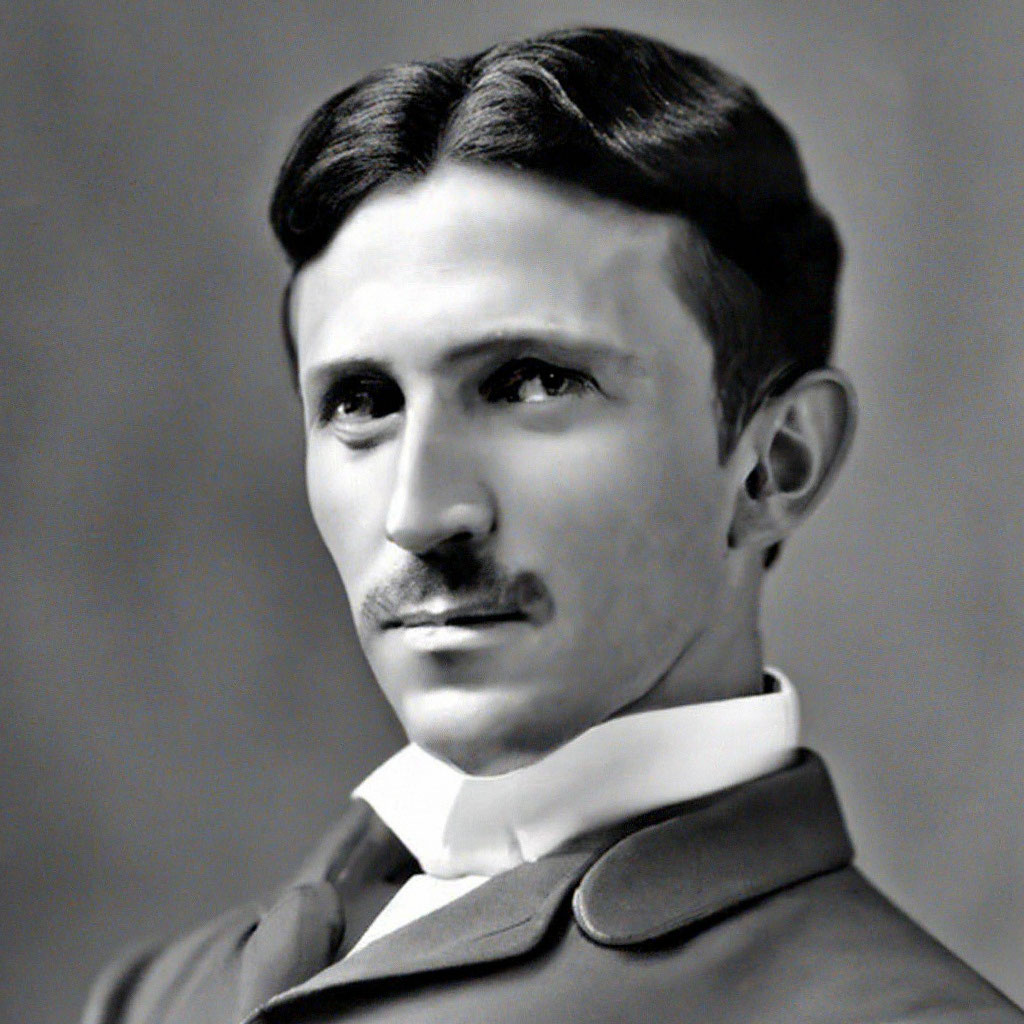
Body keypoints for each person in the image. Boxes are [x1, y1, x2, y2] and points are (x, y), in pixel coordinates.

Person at [82, 26, 1022, 1024]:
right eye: (361, 403)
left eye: (532, 382)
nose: (419, 514)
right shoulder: (154, 997)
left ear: (773, 465)